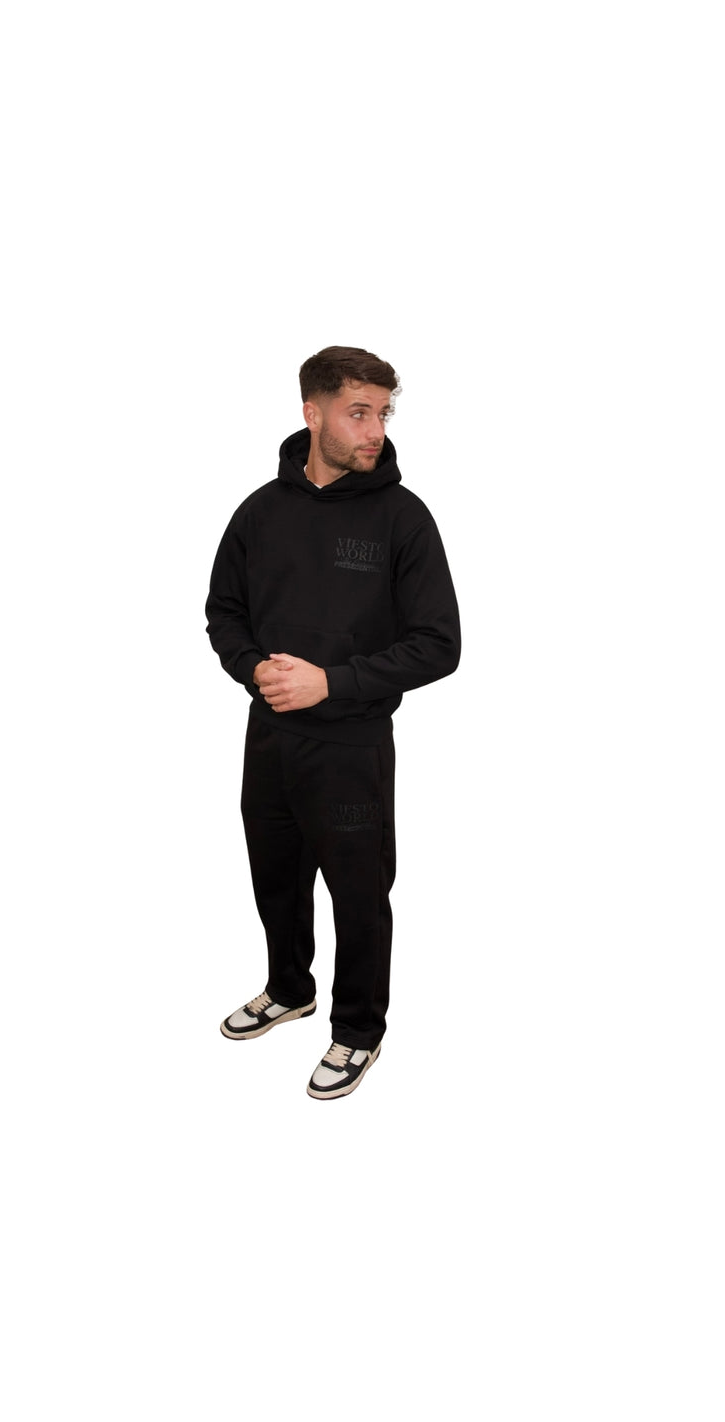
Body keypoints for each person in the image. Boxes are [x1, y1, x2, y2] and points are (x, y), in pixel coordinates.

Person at [205, 346, 461, 1099]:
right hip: (270, 737)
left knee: (358, 893)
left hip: (351, 747)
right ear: (312, 414)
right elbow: (224, 611)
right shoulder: (260, 511)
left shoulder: (403, 519)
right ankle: (289, 988)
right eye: (358, 412)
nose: (375, 429)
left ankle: (357, 1029)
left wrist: (332, 682)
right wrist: (253, 668)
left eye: (382, 412)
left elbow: (440, 644)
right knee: (275, 876)